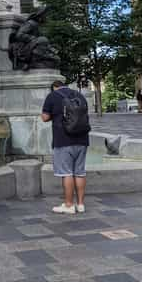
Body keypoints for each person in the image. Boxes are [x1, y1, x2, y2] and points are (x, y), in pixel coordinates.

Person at [41, 80, 91, 214]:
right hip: (82, 139)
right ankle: (80, 204)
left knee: (66, 173)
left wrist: (55, 115)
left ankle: (69, 205)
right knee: (80, 172)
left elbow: (44, 117)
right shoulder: (79, 95)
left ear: (54, 88)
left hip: (63, 140)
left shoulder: (53, 96)